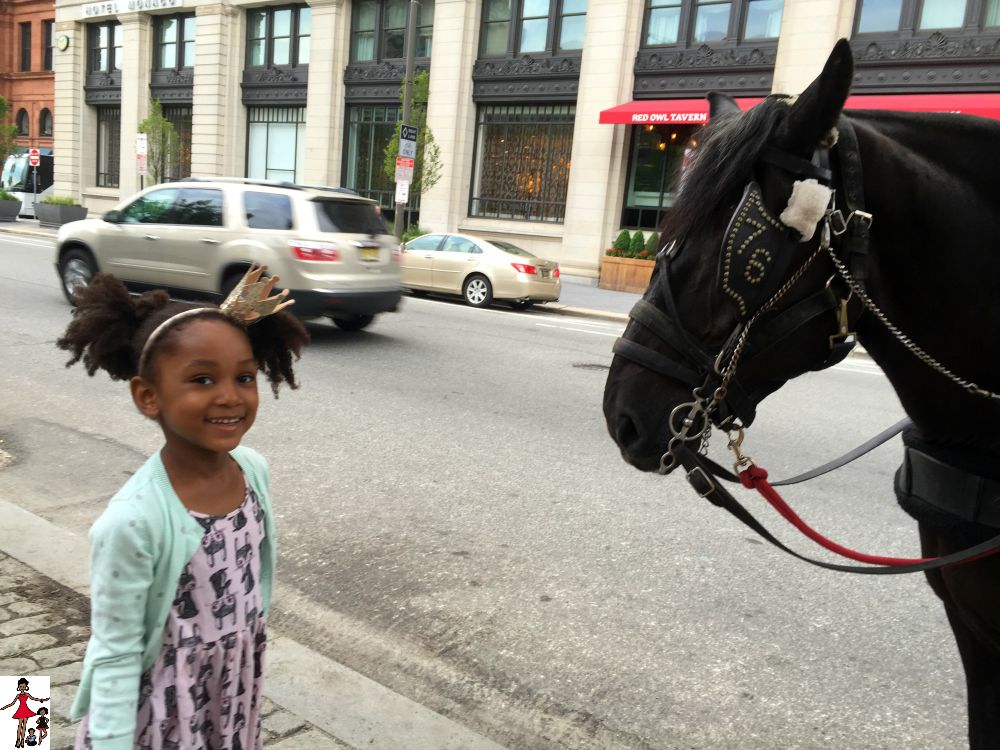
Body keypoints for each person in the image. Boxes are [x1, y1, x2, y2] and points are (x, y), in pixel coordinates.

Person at [58, 267, 308, 750]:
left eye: (244, 376)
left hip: (232, 692)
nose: (229, 396)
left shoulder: (253, 471)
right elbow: (115, 651)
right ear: (148, 396)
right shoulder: (133, 520)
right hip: (161, 711)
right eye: (202, 379)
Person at [1, 678, 48, 748]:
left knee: (24, 726)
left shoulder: (27, 694)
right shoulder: (18, 695)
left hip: (25, 710)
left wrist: (42, 700)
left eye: (23, 686)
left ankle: (22, 740)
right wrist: (4, 707)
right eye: (20, 686)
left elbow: (34, 698)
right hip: (20, 710)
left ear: (26, 687)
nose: (22, 688)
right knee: (19, 726)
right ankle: (18, 740)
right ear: (18, 687)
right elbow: (12, 703)